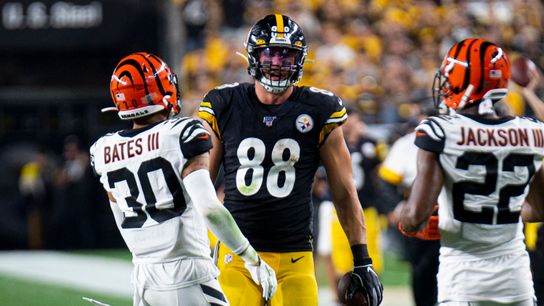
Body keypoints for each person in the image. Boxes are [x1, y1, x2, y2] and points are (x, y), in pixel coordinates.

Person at [198, 14, 383, 306]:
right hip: (237, 254)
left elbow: (345, 192)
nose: (276, 63)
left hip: (294, 254)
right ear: (253, 55)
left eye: (286, 55)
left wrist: (362, 259)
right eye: (269, 53)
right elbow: (201, 185)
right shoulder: (225, 104)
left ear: (299, 61)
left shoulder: (320, 108)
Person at [90, 52, 277, 306]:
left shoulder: (104, 150)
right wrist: (250, 257)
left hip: (143, 276)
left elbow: (121, 217)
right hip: (187, 273)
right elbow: (210, 209)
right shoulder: (181, 134)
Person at [398, 38, 544, 306]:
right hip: (516, 281)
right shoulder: (533, 132)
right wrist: (500, 212)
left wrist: (402, 216)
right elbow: (541, 209)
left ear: (465, 82)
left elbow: (414, 217)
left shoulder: (440, 131)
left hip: (463, 280)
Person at [379, 106, 440, 306]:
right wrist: (397, 207)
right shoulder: (407, 144)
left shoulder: (454, 141)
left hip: (449, 210)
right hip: (419, 211)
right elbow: (386, 182)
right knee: (421, 267)